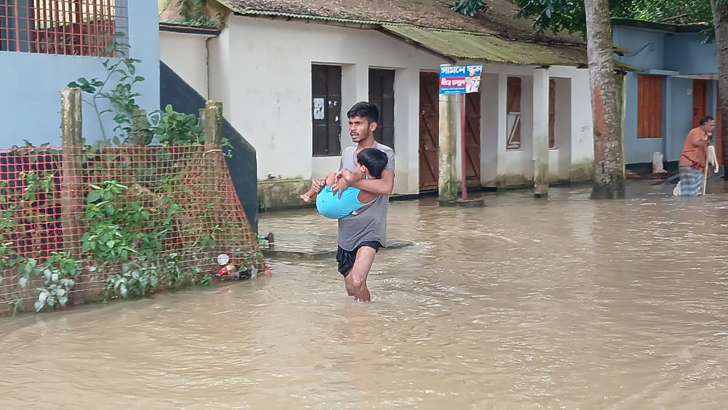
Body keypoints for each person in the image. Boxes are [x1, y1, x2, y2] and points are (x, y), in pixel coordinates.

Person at [308, 101, 395, 302]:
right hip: (346, 229)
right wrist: (323, 186)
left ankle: (364, 326)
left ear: (372, 126)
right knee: (351, 288)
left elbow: (386, 187)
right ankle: (358, 321)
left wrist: (352, 183)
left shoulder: (383, 153)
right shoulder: (347, 153)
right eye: (350, 123)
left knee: (357, 281)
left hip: (371, 228)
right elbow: (340, 183)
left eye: (358, 123)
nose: (353, 129)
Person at [300, 148, 388, 220]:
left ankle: (307, 195)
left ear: (363, 168)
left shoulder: (360, 173)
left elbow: (350, 178)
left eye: (357, 163)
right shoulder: (375, 192)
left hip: (324, 203)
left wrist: (343, 171)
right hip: (336, 213)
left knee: (332, 175)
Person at [676, 115, 715, 197]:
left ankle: (690, 208)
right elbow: (696, 142)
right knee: (691, 191)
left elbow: (704, 153)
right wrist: (707, 142)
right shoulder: (696, 132)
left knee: (694, 191)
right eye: (711, 125)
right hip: (689, 164)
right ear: (704, 125)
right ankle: (690, 208)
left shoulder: (704, 136)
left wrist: (706, 168)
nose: (713, 127)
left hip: (697, 166)